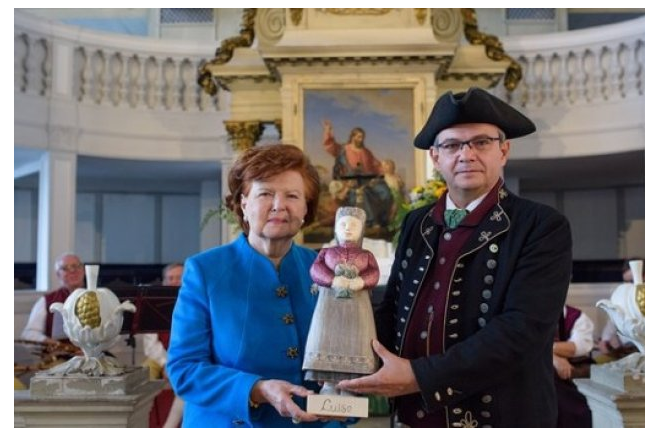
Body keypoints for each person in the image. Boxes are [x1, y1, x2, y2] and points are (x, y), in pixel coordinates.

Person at [338, 87, 573, 427]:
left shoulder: (541, 226)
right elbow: (392, 310)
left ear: (503, 151)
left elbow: (522, 330)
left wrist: (418, 375)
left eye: (481, 142)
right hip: (413, 417)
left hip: (501, 417)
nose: (467, 154)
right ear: (435, 157)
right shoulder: (415, 222)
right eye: (452, 145)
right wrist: (346, 366)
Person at [166, 144, 345, 428]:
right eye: (265, 193)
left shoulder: (325, 268)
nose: (279, 205)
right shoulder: (205, 271)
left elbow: (343, 358)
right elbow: (184, 370)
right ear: (243, 203)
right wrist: (258, 390)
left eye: (292, 196)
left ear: (306, 209)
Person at [303, 206, 380, 395]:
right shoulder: (326, 253)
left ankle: (349, 387)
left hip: (357, 310)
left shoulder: (366, 256)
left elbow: (374, 273)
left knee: (356, 341)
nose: (347, 228)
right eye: (343, 224)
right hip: (329, 308)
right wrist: (332, 280)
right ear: (335, 228)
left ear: (362, 229)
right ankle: (329, 384)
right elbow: (316, 270)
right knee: (327, 338)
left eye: (354, 225)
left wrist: (361, 281)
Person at [322, 119, 393, 229]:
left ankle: (384, 219)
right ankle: (370, 222)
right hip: (349, 182)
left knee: (385, 191)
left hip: (367, 180)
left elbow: (376, 165)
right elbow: (331, 147)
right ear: (353, 137)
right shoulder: (343, 149)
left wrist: (383, 172)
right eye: (359, 136)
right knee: (362, 194)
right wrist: (328, 131)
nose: (361, 139)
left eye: (362, 137)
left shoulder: (366, 151)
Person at [144, 262, 185, 428]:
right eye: (170, 278)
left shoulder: (195, 304)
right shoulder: (153, 306)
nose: (174, 282)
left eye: (179, 278)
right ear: (164, 282)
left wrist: (174, 365)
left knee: (185, 378)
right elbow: (150, 344)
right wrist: (165, 363)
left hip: (185, 358)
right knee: (142, 376)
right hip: (159, 358)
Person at [21, 253, 85, 343]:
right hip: (61, 354)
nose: (72, 271)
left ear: (83, 270)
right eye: (65, 268)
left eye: (76, 266)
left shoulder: (99, 297)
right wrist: (48, 341)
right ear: (58, 275)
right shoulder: (46, 301)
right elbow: (29, 333)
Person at [595, 258, 645, 360]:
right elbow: (613, 321)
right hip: (623, 350)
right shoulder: (624, 295)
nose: (628, 286)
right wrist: (605, 340)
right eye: (626, 282)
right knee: (600, 361)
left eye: (632, 281)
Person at [553, 305, 594, 427]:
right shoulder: (528, 315)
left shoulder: (576, 317)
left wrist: (545, 349)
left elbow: (577, 347)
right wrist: (553, 359)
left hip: (572, 371)